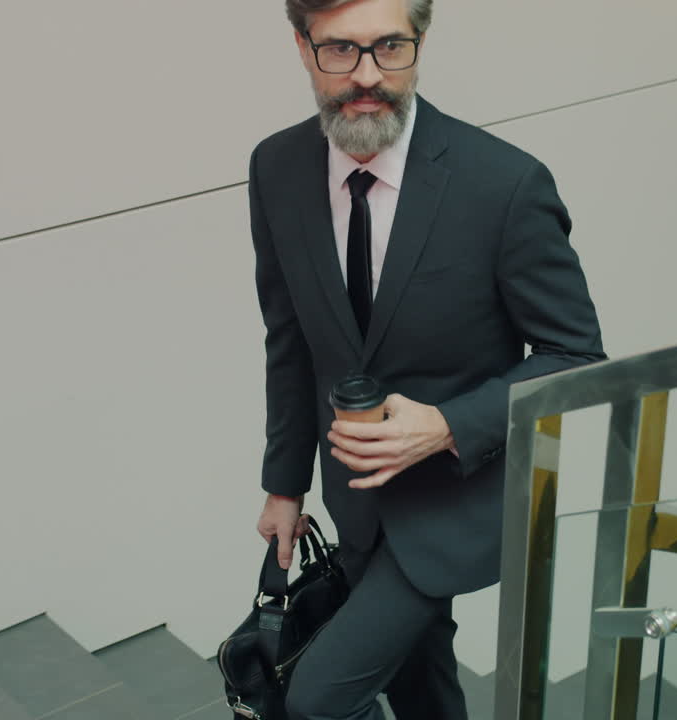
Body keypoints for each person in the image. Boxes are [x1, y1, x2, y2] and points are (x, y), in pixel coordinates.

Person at [249, 0, 605, 716]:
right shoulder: (275, 167)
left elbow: (576, 356)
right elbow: (289, 339)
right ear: (302, 46)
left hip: (457, 503)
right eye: (340, 50)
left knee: (316, 701)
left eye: (390, 46)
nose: (367, 75)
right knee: (422, 687)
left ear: (420, 39)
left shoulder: (504, 184)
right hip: (355, 500)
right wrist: (285, 485)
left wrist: (446, 426)